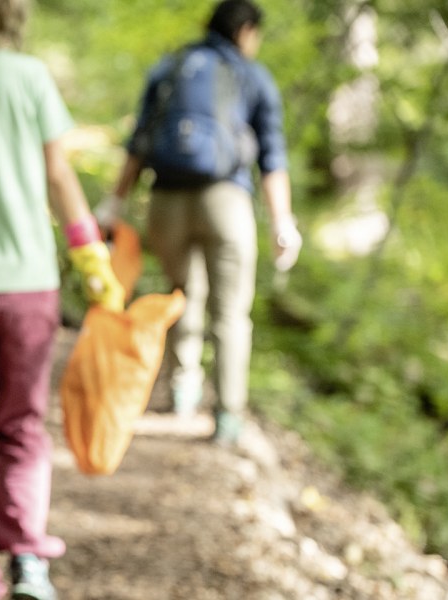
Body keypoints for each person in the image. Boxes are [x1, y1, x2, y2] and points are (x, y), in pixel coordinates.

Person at [0, 1, 124, 598]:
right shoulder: (29, 75)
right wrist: (91, 255)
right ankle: (28, 560)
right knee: (23, 426)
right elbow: (59, 176)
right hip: (29, 284)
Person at [99, 0, 302, 445]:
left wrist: (113, 202)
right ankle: (227, 416)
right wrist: (282, 220)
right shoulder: (252, 76)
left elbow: (139, 141)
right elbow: (272, 156)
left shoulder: (171, 68)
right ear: (246, 30)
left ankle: (183, 391)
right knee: (230, 313)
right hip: (226, 201)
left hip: (166, 199)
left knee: (181, 293)